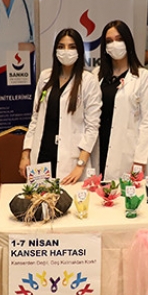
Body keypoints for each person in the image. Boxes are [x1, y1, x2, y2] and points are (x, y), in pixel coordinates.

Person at [19, 28, 101, 184]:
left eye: (72, 47)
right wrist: (25, 154)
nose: (66, 51)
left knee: (67, 198)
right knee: (40, 197)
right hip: (42, 154)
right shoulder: (45, 77)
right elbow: (35, 118)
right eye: (61, 46)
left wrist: (80, 165)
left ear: (79, 51)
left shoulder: (88, 81)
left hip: (70, 160)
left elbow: (92, 128)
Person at [95, 20, 148, 181]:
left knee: (123, 193)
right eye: (109, 41)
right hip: (98, 147)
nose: (114, 44)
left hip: (127, 152)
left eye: (119, 39)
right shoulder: (96, 75)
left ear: (128, 41)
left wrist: (140, 160)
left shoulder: (142, 77)